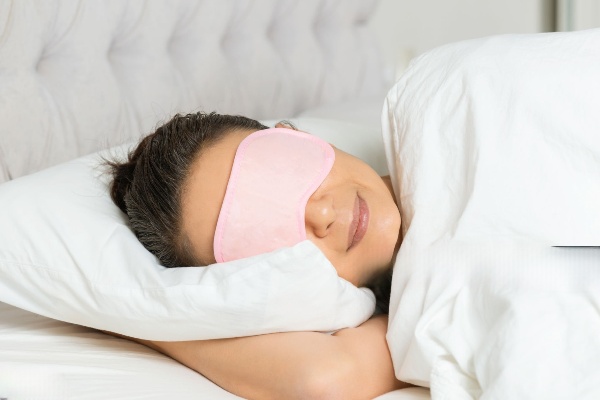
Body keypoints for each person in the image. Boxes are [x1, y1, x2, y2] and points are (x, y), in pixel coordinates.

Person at [106, 112, 410, 399]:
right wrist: (144, 322)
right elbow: (325, 380)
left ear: (293, 135)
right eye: (271, 234)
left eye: (286, 174)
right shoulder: (418, 312)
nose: (322, 213)